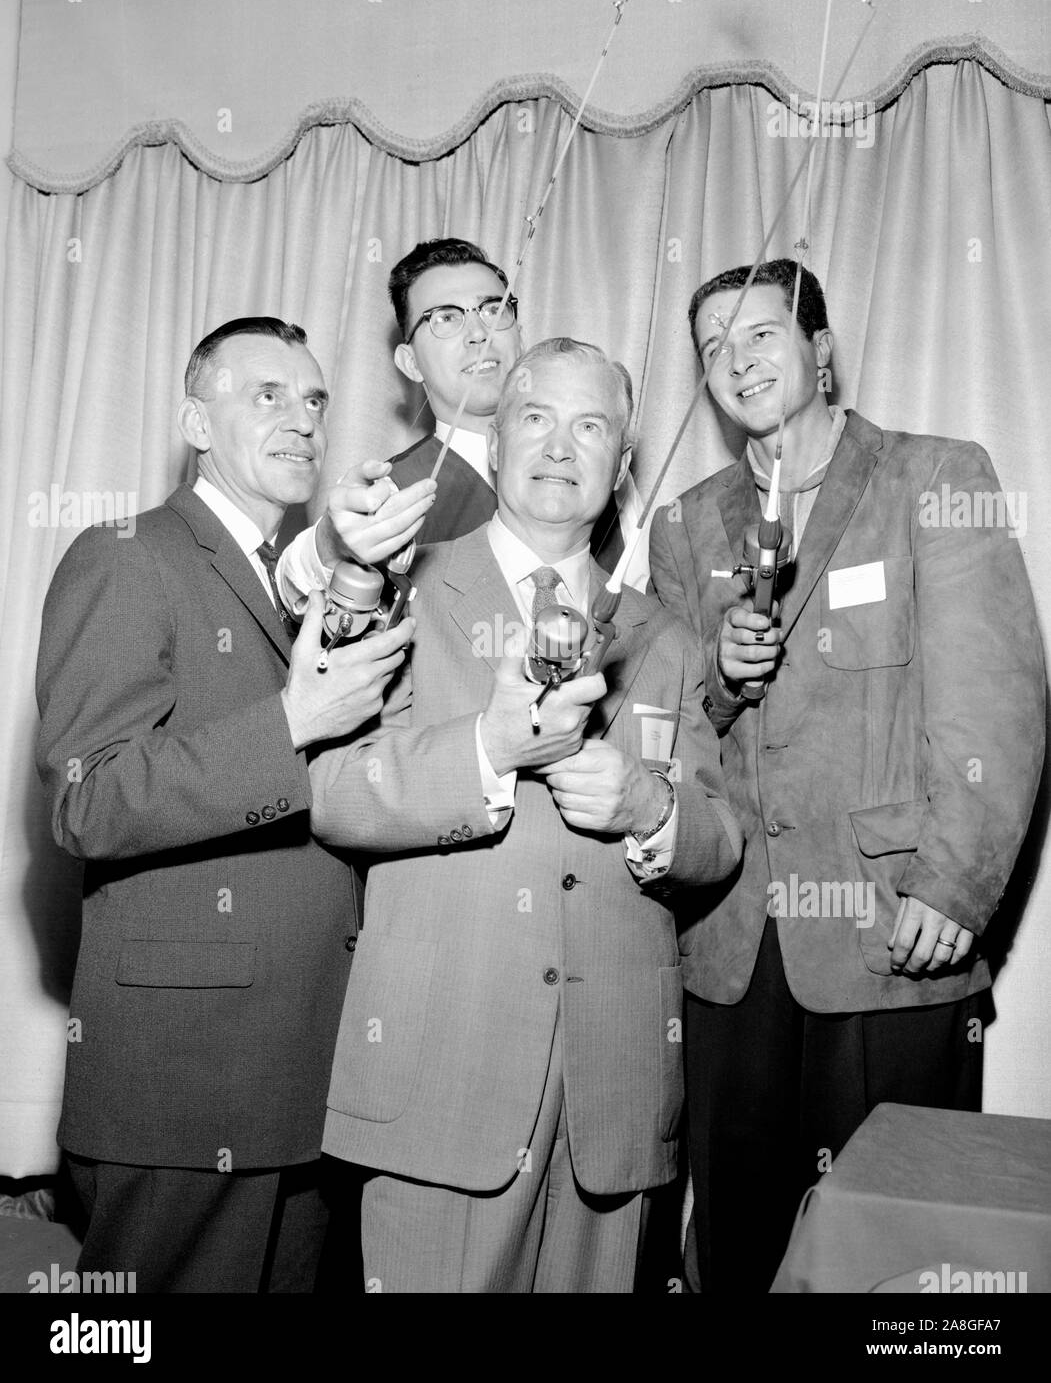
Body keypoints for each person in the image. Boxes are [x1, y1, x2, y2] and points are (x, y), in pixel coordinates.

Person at [304, 338, 743, 1292]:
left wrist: (649, 806)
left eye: (590, 426)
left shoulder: (661, 635)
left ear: (622, 466)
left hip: (611, 1099)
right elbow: (331, 791)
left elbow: (721, 836)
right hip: (438, 1074)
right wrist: (485, 755)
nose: (558, 446)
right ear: (493, 446)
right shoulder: (396, 593)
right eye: (534, 418)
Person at [648, 260, 1046, 1293]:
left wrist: (953, 884)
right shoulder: (686, 524)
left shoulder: (934, 475)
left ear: (820, 351)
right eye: (712, 349)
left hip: (890, 935)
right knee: (737, 1243)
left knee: (889, 1257)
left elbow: (995, 702)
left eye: (759, 336)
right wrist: (722, 685)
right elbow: (662, 734)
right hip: (728, 950)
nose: (735, 363)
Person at [35, 316, 424, 1292]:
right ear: (194, 422)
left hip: (296, 1064)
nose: (301, 419)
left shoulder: (291, 582)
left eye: (314, 400)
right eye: (267, 395)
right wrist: (290, 721)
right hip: (186, 1079)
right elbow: (89, 797)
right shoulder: (126, 554)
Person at [277, 238, 649, 605]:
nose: (478, 335)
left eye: (492, 309)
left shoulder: (600, 467)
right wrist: (328, 544)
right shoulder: (389, 494)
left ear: (519, 333)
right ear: (410, 362)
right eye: (446, 318)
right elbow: (295, 592)